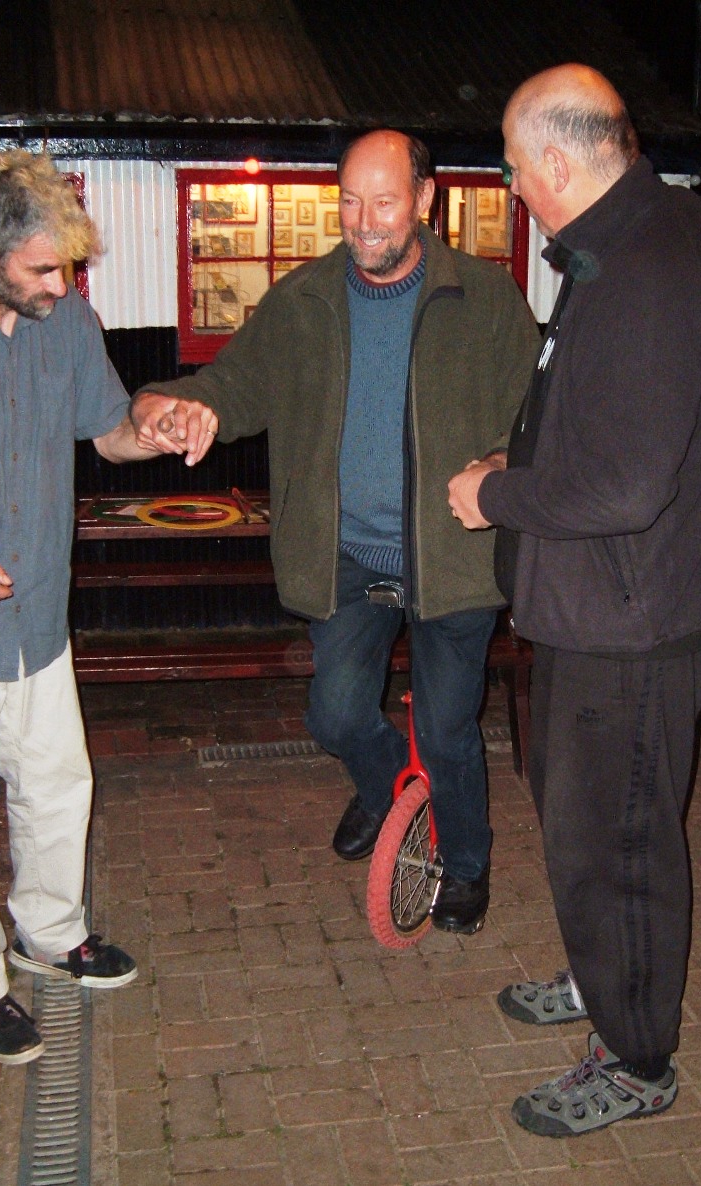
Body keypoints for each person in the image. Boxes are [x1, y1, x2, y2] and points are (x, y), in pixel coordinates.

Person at [448, 65, 701, 1136]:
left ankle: (638, 1056)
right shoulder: (634, 240)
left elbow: (628, 485)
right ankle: (606, 976)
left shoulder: (648, 266)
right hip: (604, 606)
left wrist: (492, 490)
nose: (507, 179)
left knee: (620, 839)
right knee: (581, 817)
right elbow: (615, 425)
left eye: (509, 160)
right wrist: (525, 451)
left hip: (633, 619)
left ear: (553, 161)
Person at [133, 130, 538, 934]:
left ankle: (465, 865)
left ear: (425, 200)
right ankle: (393, 792)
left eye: (383, 202)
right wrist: (179, 404)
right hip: (345, 554)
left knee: (448, 728)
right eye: (349, 201)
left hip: (450, 558)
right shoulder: (304, 299)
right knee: (336, 715)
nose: (363, 222)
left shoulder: (484, 298)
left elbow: (531, 422)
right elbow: (234, 384)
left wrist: (495, 464)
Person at [0, 151, 178, 1065]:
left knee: (59, 789)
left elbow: (110, 430)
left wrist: (156, 428)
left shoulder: (68, 322)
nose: (63, 285)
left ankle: (49, 935)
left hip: (39, 619)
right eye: (43, 270)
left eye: (70, 267)